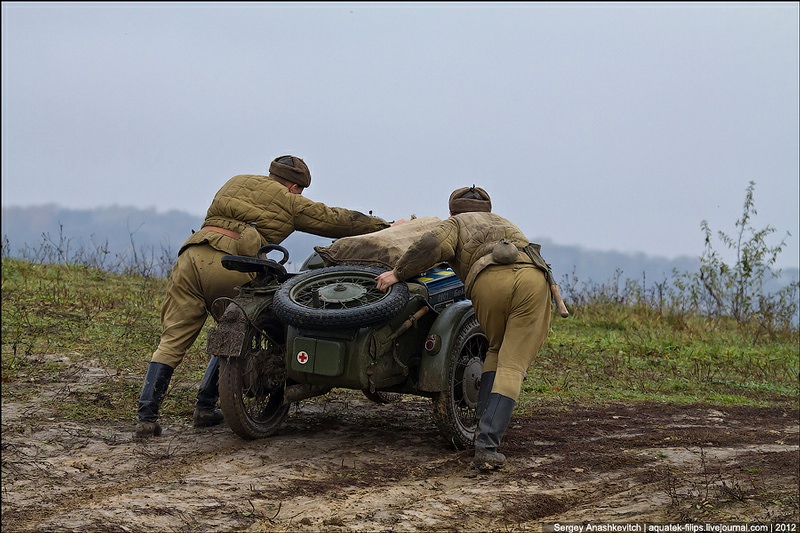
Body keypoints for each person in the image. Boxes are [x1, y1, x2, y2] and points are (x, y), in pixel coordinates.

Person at [136, 155, 403, 439]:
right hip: (232, 262)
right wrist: (385, 227)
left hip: (191, 256)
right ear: (295, 187)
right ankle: (205, 404)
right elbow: (336, 220)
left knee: (173, 340)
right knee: (240, 327)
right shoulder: (289, 201)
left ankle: (146, 417)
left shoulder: (235, 181)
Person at [375, 186, 553, 470]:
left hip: (488, 280)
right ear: (488, 211)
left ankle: (484, 437)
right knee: (513, 364)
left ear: (452, 212)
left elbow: (430, 245)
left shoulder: (456, 224)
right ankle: (486, 445)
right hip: (532, 279)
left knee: (495, 350)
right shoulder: (506, 223)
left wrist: (398, 273)